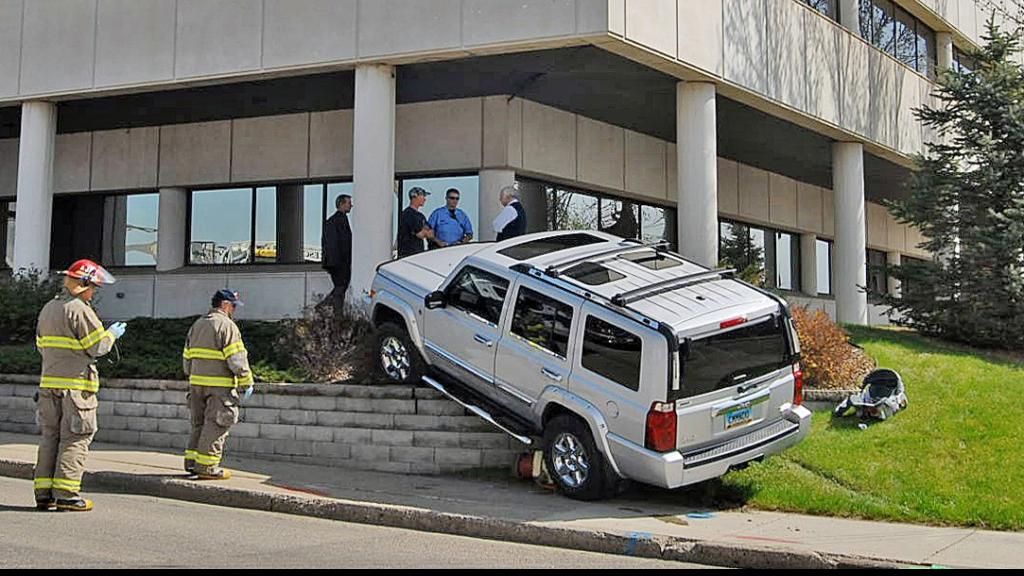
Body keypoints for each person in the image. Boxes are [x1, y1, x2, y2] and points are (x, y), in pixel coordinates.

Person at [34, 259, 127, 512]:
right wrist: (111, 335)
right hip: (75, 388)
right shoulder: (80, 309)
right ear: (83, 284)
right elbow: (97, 347)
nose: (94, 291)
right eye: (93, 287)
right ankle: (66, 495)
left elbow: (42, 347)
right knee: (75, 439)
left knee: (50, 438)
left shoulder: (48, 308)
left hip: (48, 386)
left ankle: (44, 494)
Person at [181, 290, 253, 481]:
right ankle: (207, 467)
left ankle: (192, 463)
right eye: (234, 306)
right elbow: (236, 358)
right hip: (219, 388)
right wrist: (246, 381)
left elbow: (187, 357)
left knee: (199, 424)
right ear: (225, 305)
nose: (234, 310)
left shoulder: (198, 324)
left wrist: (193, 377)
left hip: (196, 385)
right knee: (216, 425)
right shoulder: (227, 326)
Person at [321, 194, 353, 311]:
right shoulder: (337, 221)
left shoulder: (335, 220)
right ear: (342, 204)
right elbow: (337, 243)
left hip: (337, 262)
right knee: (340, 287)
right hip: (339, 262)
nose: (351, 205)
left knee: (340, 287)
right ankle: (333, 311)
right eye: (349, 203)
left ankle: (329, 309)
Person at [397, 187, 434, 258]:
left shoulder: (421, 216)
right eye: (423, 196)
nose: (425, 199)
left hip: (418, 254)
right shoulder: (407, 214)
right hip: (408, 255)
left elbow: (431, 234)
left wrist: (425, 231)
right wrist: (424, 231)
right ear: (415, 196)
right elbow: (420, 234)